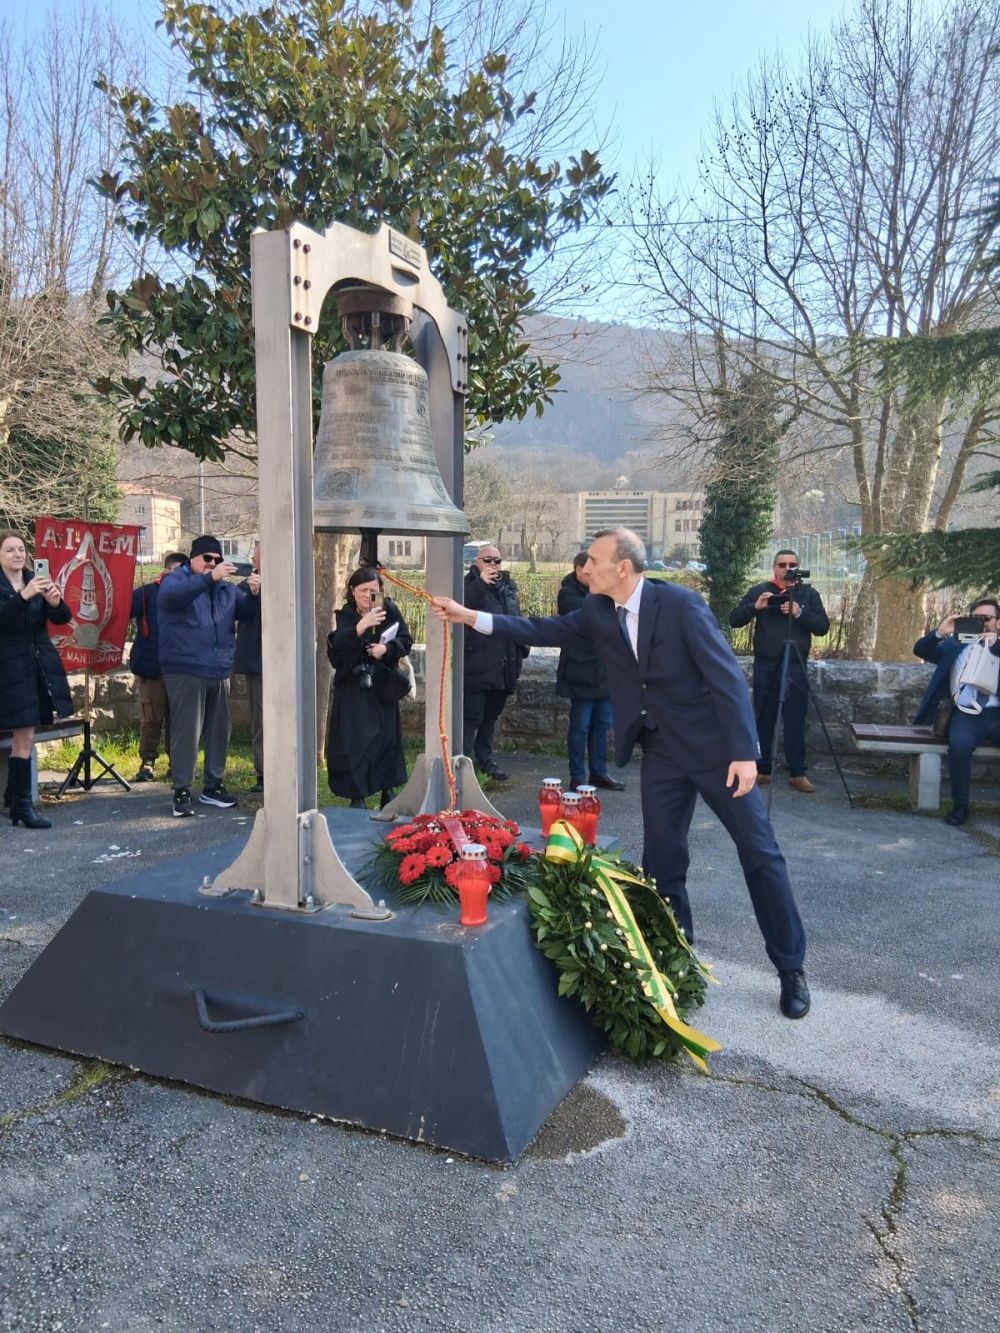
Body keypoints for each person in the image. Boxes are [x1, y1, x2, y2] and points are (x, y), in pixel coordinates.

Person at [432, 526, 810, 1019]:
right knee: (662, 861)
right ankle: (677, 960)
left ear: (623, 567)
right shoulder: (596, 610)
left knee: (760, 853)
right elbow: (541, 629)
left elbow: (726, 676)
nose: (584, 567)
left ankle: (790, 968)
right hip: (662, 752)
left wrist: (744, 751)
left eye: (593, 560)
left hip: (716, 750)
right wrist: (467, 615)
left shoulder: (681, 606)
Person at [158, 535, 260, 818]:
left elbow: (246, 612)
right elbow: (170, 597)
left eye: (217, 560)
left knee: (219, 730)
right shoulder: (176, 580)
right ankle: (182, 789)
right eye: (207, 559)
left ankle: (213, 786)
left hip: (218, 669)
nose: (213, 564)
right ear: (193, 558)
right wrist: (208, 579)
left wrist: (254, 593)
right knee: (187, 731)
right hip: (185, 668)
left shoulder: (226, 589)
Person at [729, 550, 830, 793]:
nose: (787, 568)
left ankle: (797, 772)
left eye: (792, 564)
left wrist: (799, 613)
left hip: (795, 664)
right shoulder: (761, 590)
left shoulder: (809, 594)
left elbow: (822, 627)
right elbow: (734, 619)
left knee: (795, 718)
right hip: (766, 664)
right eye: (782, 564)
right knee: (764, 717)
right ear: (774, 568)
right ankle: (762, 769)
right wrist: (756, 607)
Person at [0, 530, 73, 829]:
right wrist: (23, 597)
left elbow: (62, 618)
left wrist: (55, 602)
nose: (18, 555)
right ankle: (19, 803)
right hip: (8, 667)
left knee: (26, 733)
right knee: (23, 734)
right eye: (10, 550)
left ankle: (19, 802)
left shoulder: (35, 578)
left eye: (21, 549)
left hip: (36, 666)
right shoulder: (14, 586)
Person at [325, 566, 413, 810]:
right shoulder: (346, 614)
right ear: (353, 591)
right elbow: (338, 648)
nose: (368, 596)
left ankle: (387, 789)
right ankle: (358, 795)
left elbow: (405, 639)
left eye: (373, 591)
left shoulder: (388, 609)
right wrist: (360, 627)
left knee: (386, 738)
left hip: (383, 685)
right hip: (355, 687)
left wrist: (387, 649)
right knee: (356, 741)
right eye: (362, 590)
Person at [913, 597, 1000, 826]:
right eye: (976, 618)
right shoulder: (955, 646)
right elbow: (920, 650)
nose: (982, 623)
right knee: (960, 747)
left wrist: (996, 645)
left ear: (998, 622)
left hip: (996, 714)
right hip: (966, 713)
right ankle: (960, 807)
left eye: (987, 618)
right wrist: (940, 632)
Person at [557, 551, 625, 792]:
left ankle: (598, 773)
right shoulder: (568, 593)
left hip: (605, 672)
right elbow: (591, 619)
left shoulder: (602, 592)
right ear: (579, 570)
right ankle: (577, 776)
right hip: (581, 671)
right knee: (580, 726)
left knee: (602, 725)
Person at [462, 545, 528, 781]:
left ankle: (485, 761)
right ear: (477, 562)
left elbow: (516, 619)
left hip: (504, 665)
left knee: (490, 716)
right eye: (487, 560)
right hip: (478, 663)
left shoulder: (507, 587)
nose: (493, 564)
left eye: (497, 560)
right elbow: (464, 606)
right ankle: (462, 765)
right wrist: (481, 583)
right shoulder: (468, 585)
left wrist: (522, 648)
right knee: (471, 717)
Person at [128, 551, 189, 782]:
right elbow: (124, 609)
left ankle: (177, 762)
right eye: (174, 571)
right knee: (151, 718)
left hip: (181, 667)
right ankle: (147, 762)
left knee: (178, 719)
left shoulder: (190, 595)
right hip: (152, 665)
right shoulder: (147, 593)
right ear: (166, 570)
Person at [233, 541, 263, 794]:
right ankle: (264, 771)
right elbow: (238, 611)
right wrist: (254, 594)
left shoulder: (290, 583)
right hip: (258, 663)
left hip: (286, 662)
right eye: (255, 557)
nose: (254, 560)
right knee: (262, 720)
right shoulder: (244, 587)